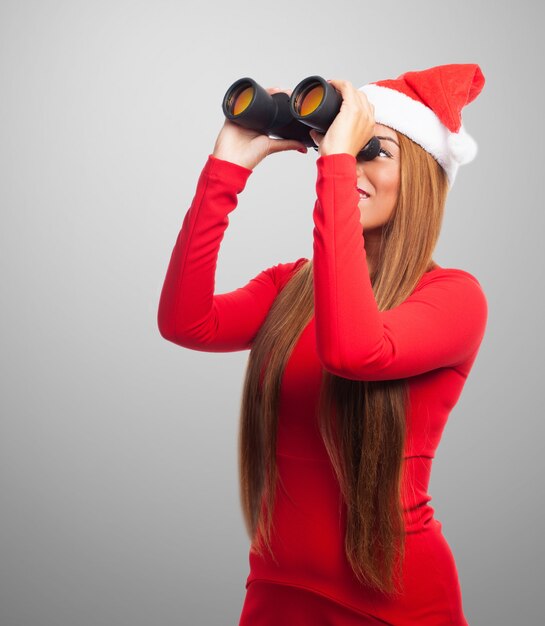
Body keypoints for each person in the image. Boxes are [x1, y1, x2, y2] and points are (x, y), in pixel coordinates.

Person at [157, 63, 488, 625]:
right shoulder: (290, 288)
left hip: (397, 606)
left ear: (424, 178)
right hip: (277, 594)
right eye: (344, 151)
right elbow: (186, 322)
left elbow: (353, 350)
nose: (353, 164)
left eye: (373, 151)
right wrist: (226, 169)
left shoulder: (454, 298)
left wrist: (335, 164)